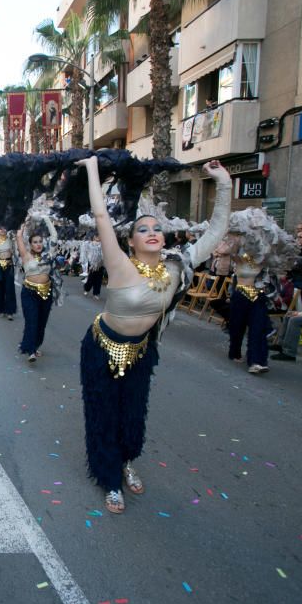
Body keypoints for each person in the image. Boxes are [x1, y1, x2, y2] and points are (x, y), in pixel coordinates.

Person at [76, 156, 232, 514]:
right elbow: (102, 217)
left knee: (133, 413)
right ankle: (110, 479)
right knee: (103, 414)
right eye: (143, 229)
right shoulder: (119, 264)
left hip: (140, 350)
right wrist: (91, 169)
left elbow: (216, 231)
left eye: (157, 229)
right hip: (101, 348)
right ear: (131, 241)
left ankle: (127, 460)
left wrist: (223, 183)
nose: (152, 233)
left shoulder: (179, 265)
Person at [15, 214, 59, 363]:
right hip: (29, 292)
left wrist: (46, 219)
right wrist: (25, 222)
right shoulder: (26, 256)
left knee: (41, 322)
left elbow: (54, 235)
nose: (38, 244)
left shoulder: (49, 255)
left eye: (40, 241)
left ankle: (35, 344)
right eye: (35, 242)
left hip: (46, 292)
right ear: (31, 244)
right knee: (32, 320)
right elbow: (19, 237)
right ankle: (30, 350)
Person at [0, 226, 16, 320]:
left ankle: (10, 312)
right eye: (0, 229)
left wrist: (12, 251)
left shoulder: (11, 240)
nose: (3, 230)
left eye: (5, 228)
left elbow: (15, 252)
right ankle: (1, 309)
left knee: (9, 289)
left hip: (9, 265)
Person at [81, 233, 104, 299]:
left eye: (99, 237)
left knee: (98, 279)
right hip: (92, 264)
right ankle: (86, 289)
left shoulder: (103, 245)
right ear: (94, 237)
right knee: (91, 278)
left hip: (100, 264)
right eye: (96, 236)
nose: (98, 238)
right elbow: (85, 251)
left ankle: (96, 293)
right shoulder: (89, 244)